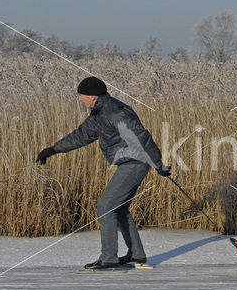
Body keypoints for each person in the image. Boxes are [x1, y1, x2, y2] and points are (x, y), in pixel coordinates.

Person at [36, 76, 171, 270]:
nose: (79, 99)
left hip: (135, 162)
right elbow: (82, 135)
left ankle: (109, 257)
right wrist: (53, 149)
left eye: (81, 95)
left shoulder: (114, 113)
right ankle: (137, 254)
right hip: (130, 162)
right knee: (120, 208)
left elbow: (142, 137)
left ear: (92, 96)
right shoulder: (100, 113)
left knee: (106, 206)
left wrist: (158, 164)